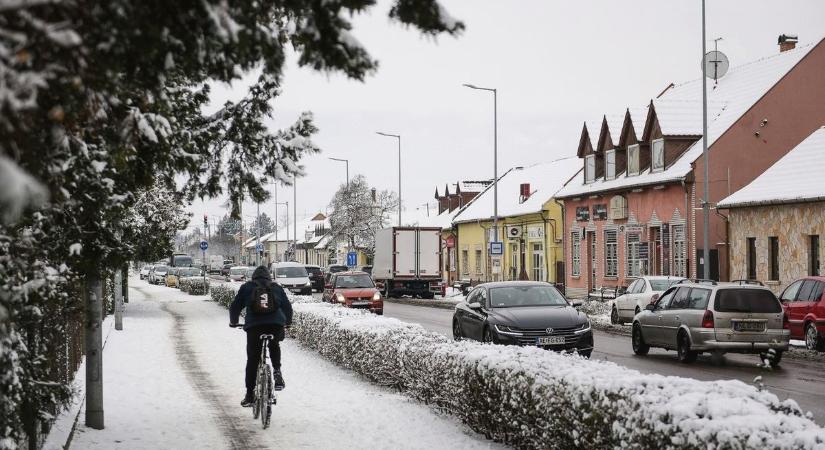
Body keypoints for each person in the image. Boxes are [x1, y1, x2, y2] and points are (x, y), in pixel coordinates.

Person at [229, 265, 293, 407]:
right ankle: (277, 371)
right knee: (274, 344)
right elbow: (287, 307)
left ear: (254, 277)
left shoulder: (247, 287)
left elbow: (235, 306)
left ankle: (250, 396)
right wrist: (287, 323)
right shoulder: (276, 287)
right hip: (275, 325)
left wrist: (233, 322)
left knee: (253, 360)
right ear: (268, 277)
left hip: (254, 327)